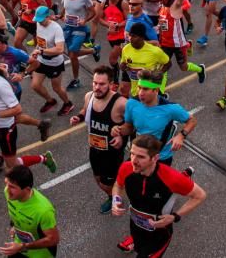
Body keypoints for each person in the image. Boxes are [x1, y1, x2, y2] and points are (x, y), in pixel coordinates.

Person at [0, 51, 57, 213]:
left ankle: (44, 158)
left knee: (12, 167)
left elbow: (17, 109)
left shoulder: (0, 85)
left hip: (6, 130)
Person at [111, 134, 206, 257]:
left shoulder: (171, 178)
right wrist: (116, 199)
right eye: (132, 153)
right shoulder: (126, 167)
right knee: (139, 247)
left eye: (141, 157)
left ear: (155, 158)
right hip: (136, 225)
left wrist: (174, 216)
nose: (133, 160)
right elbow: (118, 186)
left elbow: (200, 195)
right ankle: (134, 242)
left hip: (159, 234)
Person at [69, 65, 127, 213]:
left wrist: (121, 135)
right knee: (97, 179)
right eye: (95, 83)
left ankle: (116, 196)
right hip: (94, 148)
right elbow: (85, 109)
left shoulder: (120, 103)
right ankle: (115, 191)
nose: (97, 87)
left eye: (102, 84)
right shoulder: (89, 96)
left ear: (111, 84)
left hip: (112, 153)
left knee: (107, 184)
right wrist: (79, 117)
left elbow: (133, 124)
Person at [116, 70, 196, 167]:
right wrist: (119, 130)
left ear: (156, 90)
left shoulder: (170, 108)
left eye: (145, 89)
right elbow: (128, 127)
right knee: (123, 179)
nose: (140, 93)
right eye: (139, 88)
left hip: (160, 158)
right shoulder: (132, 103)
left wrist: (181, 135)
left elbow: (192, 121)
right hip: (138, 155)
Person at [0, 165, 60, 257]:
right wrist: (14, 226)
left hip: (40, 255)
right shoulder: (9, 194)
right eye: (6, 184)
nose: (7, 190)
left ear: (27, 189)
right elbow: (16, 213)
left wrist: (22, 246)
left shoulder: (43, 211)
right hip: (19, 248)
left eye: (12, 187)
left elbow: (53, 239)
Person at [28, 6, 74, 116]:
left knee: (56, 88)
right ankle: (50, 101)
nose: (39, 22)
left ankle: (68, 103)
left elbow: (60, 49)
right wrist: (36, 50)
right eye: (37, 20)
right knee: (35, 85)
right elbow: (40, 42)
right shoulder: (38, 23)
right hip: (42, 60)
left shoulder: (56, 28)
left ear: (48, 17)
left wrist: (42, 51)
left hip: (54, 63)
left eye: (41, 20)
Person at [59, 0, 99, 90]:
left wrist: (85, 20)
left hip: (79, 30)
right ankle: (93, 50)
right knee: (71, 53)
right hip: (68, 28)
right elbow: (65, 7)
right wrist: (60, 15)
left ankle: (76, 80)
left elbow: (93, 12)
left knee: (72, 55)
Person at [119, 23, 170, 99]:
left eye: (134, 36)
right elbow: (123, 65)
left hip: (151, 88)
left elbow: (168, 63)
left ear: (142, 37)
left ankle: (161, 97)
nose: (130, 38)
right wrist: (123, 66)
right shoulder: (126, 49)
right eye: (130, 35)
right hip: (136, 90)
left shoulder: (154, 51)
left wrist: (160, 73)